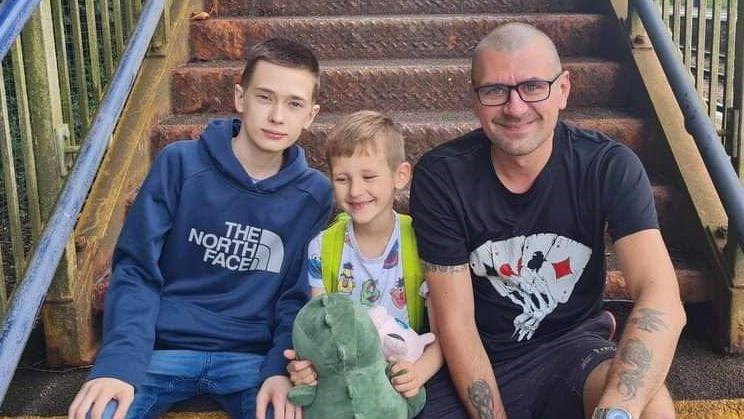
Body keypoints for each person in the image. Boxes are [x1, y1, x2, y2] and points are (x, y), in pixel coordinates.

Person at [409, 23, 685, 419]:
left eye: (533, 86)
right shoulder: (442, 176)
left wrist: (617, 410)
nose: (515, 107)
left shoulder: (607, 166)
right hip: (474, 358)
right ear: (475, 100)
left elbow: (661, 298)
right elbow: (457, 325)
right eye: (495, 91)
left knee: (650, 407)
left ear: (563, 90)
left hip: (571, 349)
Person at [68, 38, 333, 419]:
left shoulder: (314, 194)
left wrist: (279, 368)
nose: (277, 116)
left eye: (294, 104)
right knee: (97, 413)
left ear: (311, 115)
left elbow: (296, 294)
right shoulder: (180, 164)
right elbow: (137, 268)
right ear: (240, 98)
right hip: (160, 351)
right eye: (264, 97)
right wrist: (119, 363)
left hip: (251, 362)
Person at [284, 110, 444, 400]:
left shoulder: (423, 241)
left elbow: (444, 333)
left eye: (369, 176)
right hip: (345, 381)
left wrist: (418, 372)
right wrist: (306, 367)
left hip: (402, 372)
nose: (356, 191)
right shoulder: (323, 247)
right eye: (342, 179)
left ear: (401, 175)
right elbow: (320, 330)